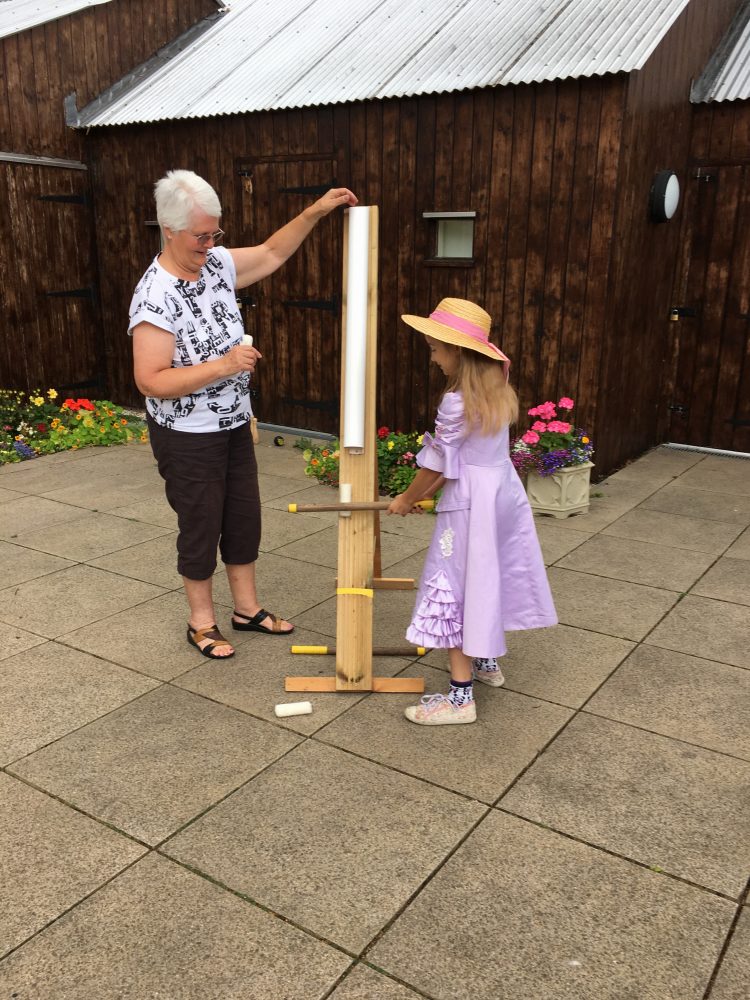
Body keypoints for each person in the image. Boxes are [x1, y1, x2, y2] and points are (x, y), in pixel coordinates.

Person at [130, 169, 357, 659]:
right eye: (200, 235)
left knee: (242, 518)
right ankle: (201, 622)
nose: (210, 243)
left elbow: (273, 252)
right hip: (187, 433)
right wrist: (223, 366)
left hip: (232, 420)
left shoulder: (214, 265)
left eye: (215, 233)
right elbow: (150, 380)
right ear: (168, 230)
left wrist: (314, 212)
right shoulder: (155, 296)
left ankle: (246, 610)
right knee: (201, 521)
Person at [387, 298, 557, 724]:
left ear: (457, 351)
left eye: (435, 350)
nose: (434, 358)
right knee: (485, 577)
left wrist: (407, 499)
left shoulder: (457, 402)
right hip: (500, 496)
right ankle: (485, 661)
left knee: (454, 587)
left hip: (470, 506)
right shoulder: (497, 393)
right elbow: (462, 457)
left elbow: (436, 464)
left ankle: (460, 698)